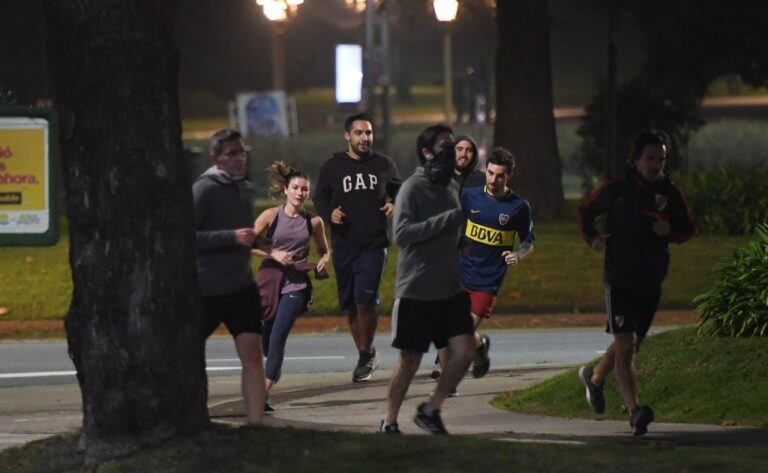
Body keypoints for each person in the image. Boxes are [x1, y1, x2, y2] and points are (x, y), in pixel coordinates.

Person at [577, 129, 694, 436]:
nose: (656, 165)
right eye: (650, 158)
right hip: (619, 278)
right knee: (625, 344)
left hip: (651, 279)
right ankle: (635, 411)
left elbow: (687, 230)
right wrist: (593, 238)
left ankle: (595, 377)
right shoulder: (616, 189)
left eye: (661, 159)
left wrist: (669, 231)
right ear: (636, 160)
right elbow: (586, 211)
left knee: (632, 344)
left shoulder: (670, 193)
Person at [379, 126, 474, 435]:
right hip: (417, 291)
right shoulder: (412, 188)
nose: (452, 152)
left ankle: (431, 409)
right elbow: (401, 234)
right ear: (427, 152)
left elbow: (449, 229)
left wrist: (460, 240)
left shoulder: (451, 187)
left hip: (450, 289)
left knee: (465, 353)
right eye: (446, 146)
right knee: (410, 361)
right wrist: (447, 221)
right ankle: (389, 420)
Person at [312, 113, 402, 382]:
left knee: (365, 299)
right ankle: (365, 352)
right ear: (347, 136)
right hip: (344, 244)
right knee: (351, 304)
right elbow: (319, 197)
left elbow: (401, 191)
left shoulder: (384, 164)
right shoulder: (333, 166)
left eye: (369, 133)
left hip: (374, 243)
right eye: (360, 133)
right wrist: (330, 215)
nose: (365, 138)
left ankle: (366, 356)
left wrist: (395, 204)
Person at [192, 128, 267, 424]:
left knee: (252, 356)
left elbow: (243, 231)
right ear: (216, 158)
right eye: (231, 154)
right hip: (207, 288)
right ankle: (194, 418)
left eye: (242, 152)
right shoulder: (205, 189)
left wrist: (259, 242)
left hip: (240, 287)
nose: (239, 159)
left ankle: (256, 424)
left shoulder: (242, 188)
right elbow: (185, 236)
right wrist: (229, 237)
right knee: (189, 354)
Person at [253, 162, 331, 412]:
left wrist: (321, 263)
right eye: (295, 188)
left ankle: (261, 395)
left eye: (304, 189)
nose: (300, 193)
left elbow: (325, 251)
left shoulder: (314, 222)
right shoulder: (270, 216)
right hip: (269, 279)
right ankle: (271, 370)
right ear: (285, 190)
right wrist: (273, 253)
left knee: (277, 339)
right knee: (267, 337)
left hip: (296, 283)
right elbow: (249, 242)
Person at [458, 147, 534, 378]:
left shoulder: (519, 207)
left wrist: (517, 255)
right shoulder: (469, 197)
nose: (493, 179)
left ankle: (449, 381)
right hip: (461, 274)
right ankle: (479, 347)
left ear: (509, 174)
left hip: (488, 281)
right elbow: (454, 228)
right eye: (490, 173)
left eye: (500, 175)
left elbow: (529, 241)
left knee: (461, 331)